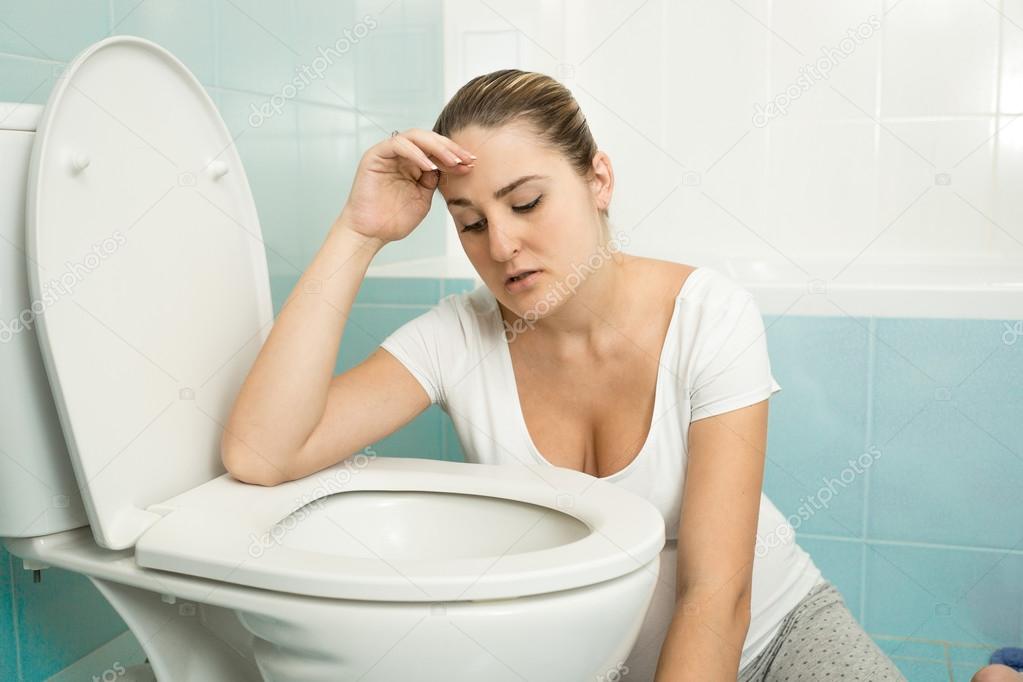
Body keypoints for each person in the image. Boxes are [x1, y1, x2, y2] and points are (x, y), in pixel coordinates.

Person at [221, 69, 906, 681]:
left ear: (597, 180)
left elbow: (714, 593)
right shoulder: (459, 335)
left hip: (771, 638)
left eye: (524, 203)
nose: (501, 245)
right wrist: (358, 231)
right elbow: (261, 453)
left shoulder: (707, 315)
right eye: (469, 223)